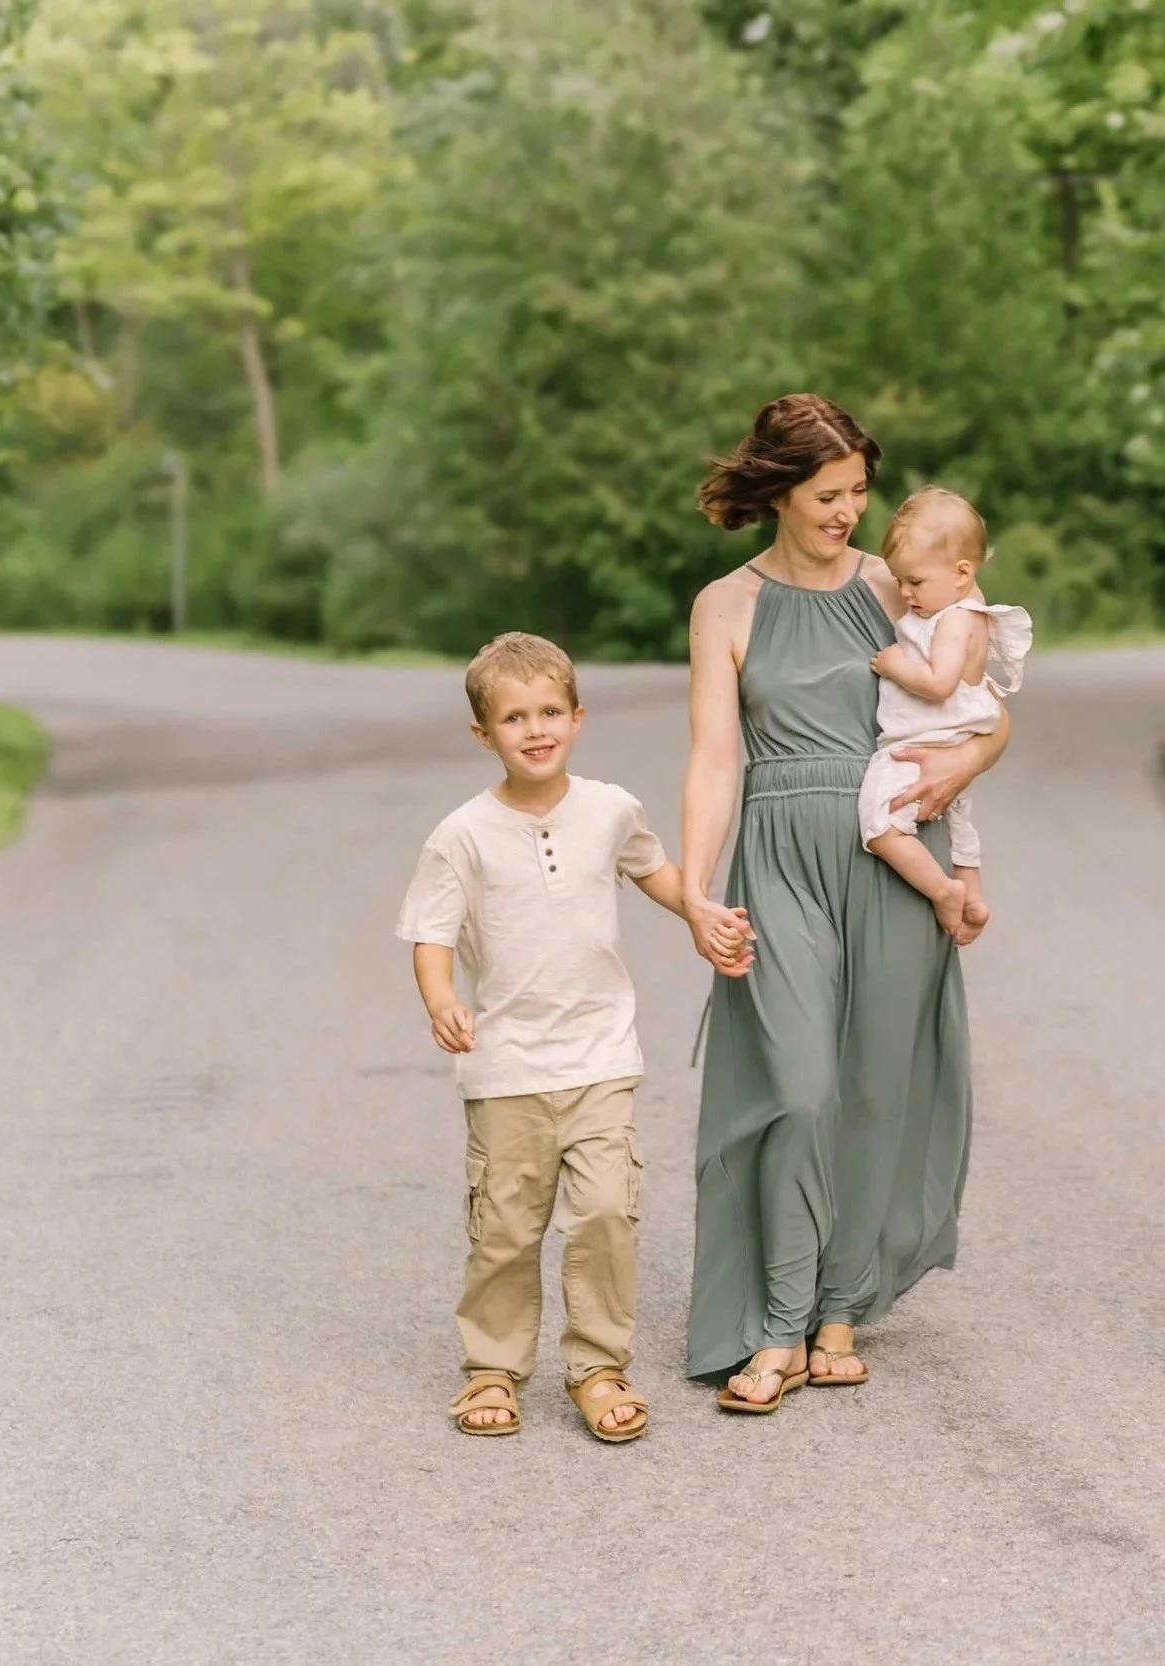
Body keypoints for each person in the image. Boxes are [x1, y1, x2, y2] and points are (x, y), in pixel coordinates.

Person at [679, 393, 1008, 1413]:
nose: (849, 512)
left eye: (860, 491)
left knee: (874, 1085)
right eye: (829, 494)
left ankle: (839, 1309)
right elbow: (713, 758)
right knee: (800, 1084)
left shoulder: (894, 584)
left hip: (886, 849)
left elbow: (978, 708)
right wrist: (694, 890)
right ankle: (774, 1322)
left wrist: (969, 769)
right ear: (779, 490)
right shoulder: (724, 606)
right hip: (778, 852)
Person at [398, 632, 749, 1442]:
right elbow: (430, 931)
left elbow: (651, 868)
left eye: (549, 710)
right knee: (506, 1229)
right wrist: (441, 997)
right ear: (485, 735)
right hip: (507, 1069)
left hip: (599, 1059)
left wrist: (697, 908)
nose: (535, 728)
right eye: (514, 717)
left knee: (603, 1216)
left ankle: (598, 1366)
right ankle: (492, 1369)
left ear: (578, 716)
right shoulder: (462, 833)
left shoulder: (610, 809)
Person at [858, 485, 1033, 944]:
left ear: (960, 573)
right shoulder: (962, 600)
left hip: (926, 739)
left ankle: (943, 891)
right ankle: (973, 898)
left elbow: (939, 684)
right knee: (957, 820)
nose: (905, 593)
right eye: (899, 582)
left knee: (879, 824)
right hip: (949, 740)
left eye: (915, 582)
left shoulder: (954, 620)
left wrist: (895, 664)